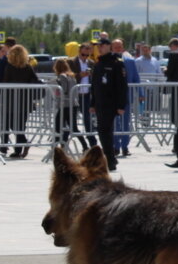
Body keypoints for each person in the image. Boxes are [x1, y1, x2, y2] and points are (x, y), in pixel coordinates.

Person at [89, 37, 127, 171]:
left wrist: (121, 105)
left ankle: (110, 160)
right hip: (100, 103)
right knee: (103, 131)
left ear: (109, 46)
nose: (99, 48)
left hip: (111, 103)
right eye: (98, 46)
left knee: (105, 131)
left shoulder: (116, 63)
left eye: (102, 46)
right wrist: (92, 103)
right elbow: (94, 86)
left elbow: (122, 86)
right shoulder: (98, 64)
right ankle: (110, 158)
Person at [0, 44, 40, 158]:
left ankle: (6, 147)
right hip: (25, 101)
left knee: (8, 124)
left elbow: (5, 83)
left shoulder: (9, 67)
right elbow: (35, 80)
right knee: (21, 126)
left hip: (10, 101)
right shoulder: (28, 67)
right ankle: (18, 150)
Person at [52, 57, 88, 151]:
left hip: (65, 104)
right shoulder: (71, 76)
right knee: (73, 128)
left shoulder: (62, 76)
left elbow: (63, 90)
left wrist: (56, 92)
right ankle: (84, 146)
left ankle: (56, 147)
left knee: (58, 126)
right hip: (74, 104)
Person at [111, 38, 139, 157]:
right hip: (112, 96)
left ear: (123, 47)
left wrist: (140, 93)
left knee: (126, 122)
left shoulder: (130, 61)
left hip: (127, 95)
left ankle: (125, 147)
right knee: (115, 122)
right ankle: (115, 146)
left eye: (119, 46)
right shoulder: (109, 60)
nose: (117, 48)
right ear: (112, 47)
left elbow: (136, 78)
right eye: (115, 46)